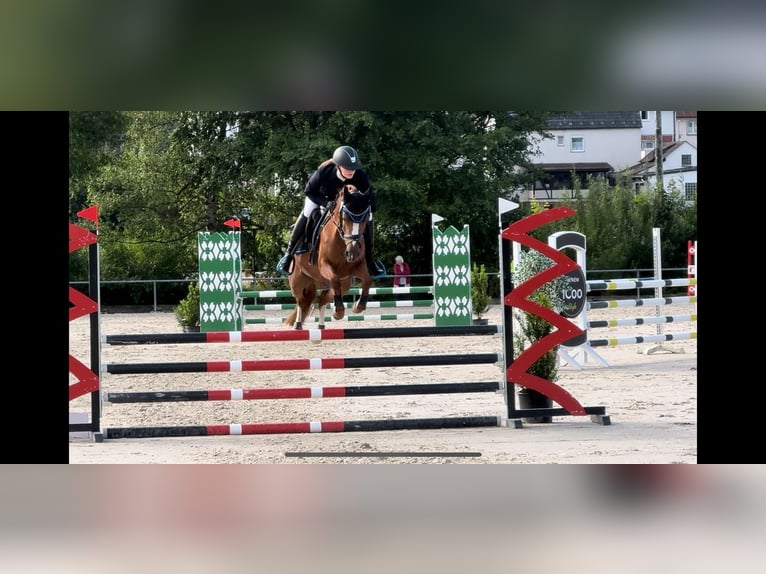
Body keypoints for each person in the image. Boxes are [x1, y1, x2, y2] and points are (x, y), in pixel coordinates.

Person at [275, 145, 387, 279]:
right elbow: (308, 191)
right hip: (319, 196)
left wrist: (370, 208)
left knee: (369, 218)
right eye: (347, 168)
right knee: (307, 212)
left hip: (345, 203)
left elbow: (369, 194)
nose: (351, 171)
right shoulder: (325, 172)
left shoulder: (359, 175)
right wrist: (325, 203)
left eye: (353, 168)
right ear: (338, 166)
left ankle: (370, 261)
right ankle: (288, 256)